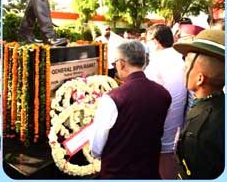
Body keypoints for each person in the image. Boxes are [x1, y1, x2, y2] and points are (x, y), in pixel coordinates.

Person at [89, 41, 171, 179]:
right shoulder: (163, 94)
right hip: (149, 172)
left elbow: (96, 148)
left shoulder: (113, 98)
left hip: (117, 173)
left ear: (121, 63)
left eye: (115, 64)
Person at [173, 30, 225, 179]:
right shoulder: (217, 102)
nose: (183, 68)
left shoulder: (198, 134)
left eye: (187, 63)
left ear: (200, 78)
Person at [144, 24, 187, 179]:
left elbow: (147, 103)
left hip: (160, 131)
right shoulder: (182, 61)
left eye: (148, 40)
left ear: (156, 42)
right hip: (179, 127)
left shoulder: (154, 66)